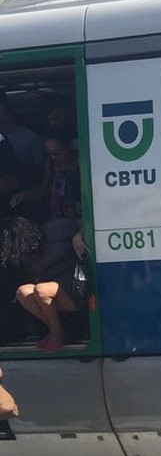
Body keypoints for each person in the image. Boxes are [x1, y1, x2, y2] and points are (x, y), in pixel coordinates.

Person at [12, 134, 85, 351]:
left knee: (42, 290)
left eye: (57, 152)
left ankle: (59, 331)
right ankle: (61, 330)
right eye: (49, 153)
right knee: (23, 292)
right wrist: (24, 196)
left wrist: (81, 233)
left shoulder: (84, 169)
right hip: (59, 229)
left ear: (71, 147)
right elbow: (44, 190)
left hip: (76, 235)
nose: (54, 158)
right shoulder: (53, 170)